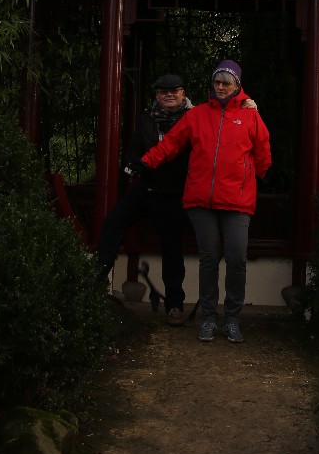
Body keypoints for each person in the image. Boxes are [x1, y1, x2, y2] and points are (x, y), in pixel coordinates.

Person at [138, 59, 271, 344]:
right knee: (209, 259)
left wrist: (252, 178)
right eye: (217, 82)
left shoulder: (250, 116)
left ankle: (232, 319)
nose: (220, 87)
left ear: (237, 85)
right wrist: (146, 161)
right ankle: (209, 318)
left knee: (236, 258)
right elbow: (171, 144)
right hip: (201, 200)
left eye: (226, 83)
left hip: (237, 202)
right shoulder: (197, 114)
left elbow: (263, 154)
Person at [96, 73, 193, 326]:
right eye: (163, 91)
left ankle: (174, 305)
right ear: (157, 96)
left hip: (173, 193)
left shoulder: (194, 118)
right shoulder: (147, 118)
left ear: (183, 93)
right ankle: (94, 286)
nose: (169, 95)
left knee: (172, 249)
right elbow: (134, 150)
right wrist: (132, 163)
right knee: (113, 222)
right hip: (146, 188)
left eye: (174, 90)